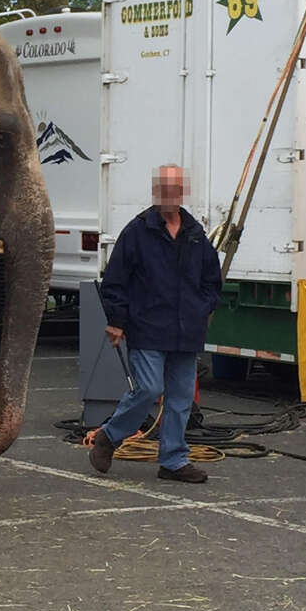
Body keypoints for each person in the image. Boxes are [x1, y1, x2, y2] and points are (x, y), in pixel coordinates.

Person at [89, 164, 222, 483]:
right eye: (164, 189)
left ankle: (173, 461)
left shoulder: (195, 234)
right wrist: (116, 321)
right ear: (155, 192)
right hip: (147, 326)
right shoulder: (137, 232)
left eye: (175, 189)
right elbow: (115, 280)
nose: (169, 195)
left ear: (182, 193)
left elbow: (211, 280)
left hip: (186, 331)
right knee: (149, 388)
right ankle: (109, 436)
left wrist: (202, 308)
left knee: (180, 398)